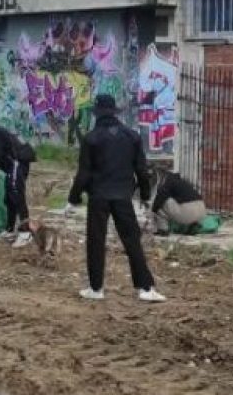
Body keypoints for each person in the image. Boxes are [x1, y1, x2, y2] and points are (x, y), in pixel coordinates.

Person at [65, 94, 165, 303]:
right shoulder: (132, 137)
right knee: (132, 241)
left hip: (98, 196)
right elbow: (142, 170)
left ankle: (96, 288)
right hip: (123, 196)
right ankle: (145, 288)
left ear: (97, 114)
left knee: (96, 241)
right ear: (115, 113)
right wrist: (145, 196)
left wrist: (73, 198)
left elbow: (83, 174)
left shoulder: (91, 138)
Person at [148, 167, 207, 235]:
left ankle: (163, 229)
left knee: (160, 202)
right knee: (174, 200)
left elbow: (159, 199)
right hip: (202, 211)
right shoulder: (182, 181)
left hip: (188, 213)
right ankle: (193, 225)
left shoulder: (167, 182)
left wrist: (152, 211)